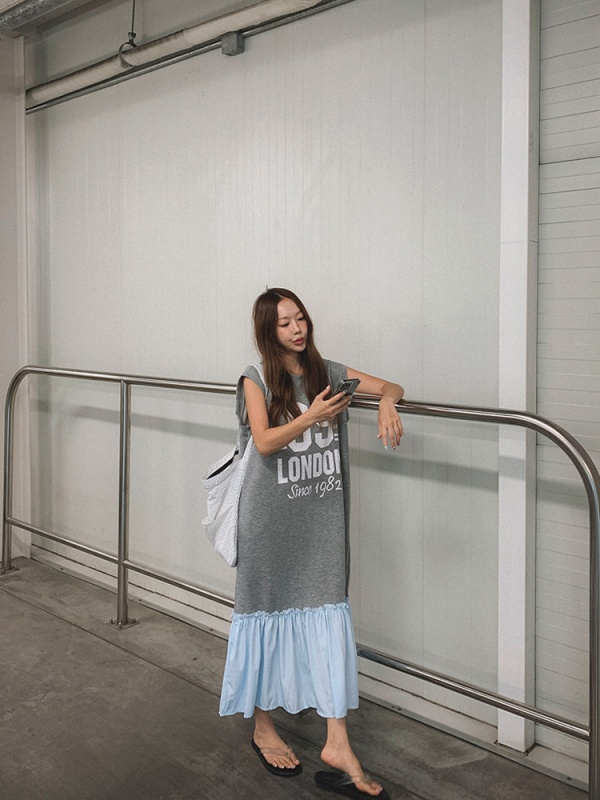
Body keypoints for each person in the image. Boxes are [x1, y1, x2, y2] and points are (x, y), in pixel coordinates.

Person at [219, 288, 404, 799]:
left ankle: (337, 742)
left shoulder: (330, 372)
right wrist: (309, 418)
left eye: (300, 318)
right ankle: (263, 727)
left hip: (320, 521)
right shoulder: (255, 379)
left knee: (327, 615)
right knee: (265, 615)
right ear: (267, 330)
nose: (297, 329)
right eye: (284, 323)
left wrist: (387, 402)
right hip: (269, 524)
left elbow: (392, 383)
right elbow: (263, 441)